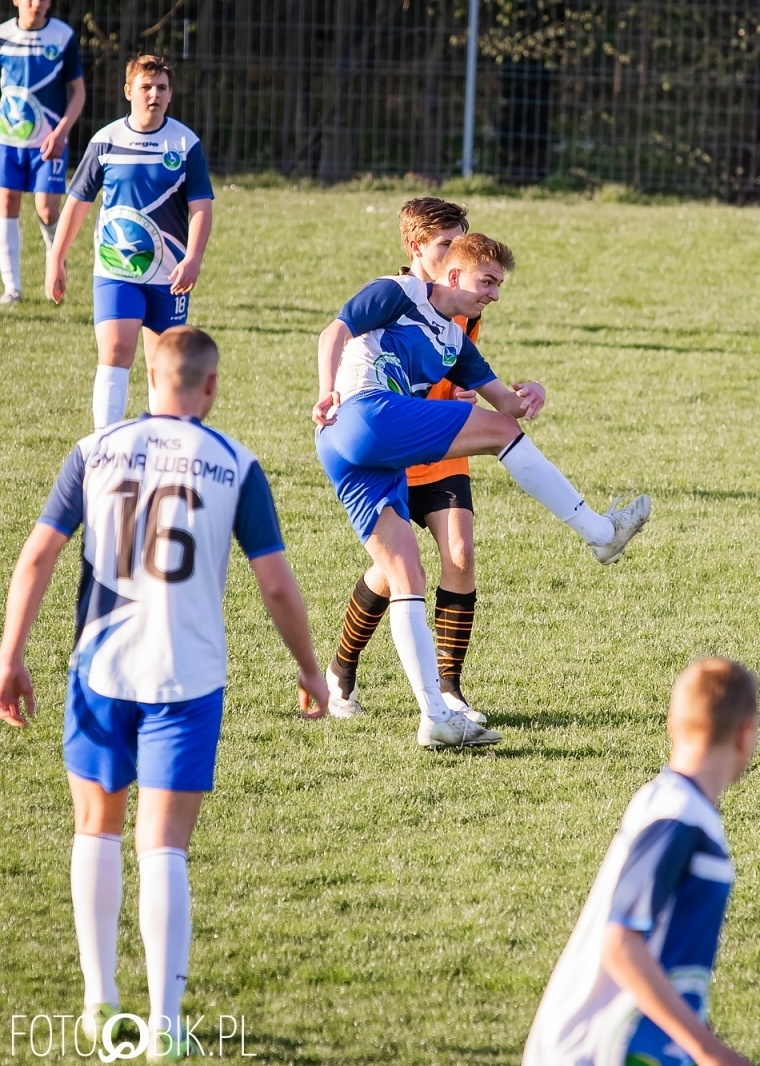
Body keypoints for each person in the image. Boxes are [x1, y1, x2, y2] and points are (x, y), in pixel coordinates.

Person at [0, 327, 329, 1059]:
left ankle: (98, 1004)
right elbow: (275, 583)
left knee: (97, 828)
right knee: (165, 848)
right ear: (211, 386)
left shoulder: (93, 451)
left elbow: (37, 557)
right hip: (188, 678)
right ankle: (168, 1022)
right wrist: (310, 668)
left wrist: (10, 654)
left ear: (150, 372)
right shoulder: (235, 465)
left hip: (100, 670)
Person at [313, 233, 651, 749]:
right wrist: (326, 391)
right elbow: (331, 333)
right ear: (453, 275)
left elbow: (508, 408)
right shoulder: (399, 292)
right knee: (496, 436)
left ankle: (435, 717)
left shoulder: (455, 342)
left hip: (352, 452)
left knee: (405, 574)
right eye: (487, 282)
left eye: (498, 285)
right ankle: (601, 533)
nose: (494, 294)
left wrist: (531, 392)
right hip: (360, 416)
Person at [524, 657, 760, 1066]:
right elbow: (620, 944)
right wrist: (707, 1050)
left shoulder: (677, 806)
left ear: (672, 723)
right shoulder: (678, 817)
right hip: (595, 1050)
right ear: (746, 734)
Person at [327, 197, 492, 724]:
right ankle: (343, 665)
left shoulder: (463, 302)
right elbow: (364, 363)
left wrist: (471, 396)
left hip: (442, 446)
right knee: (393, 569)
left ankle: (449, 691)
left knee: (460, 553)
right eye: (446, 244)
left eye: (461, 243)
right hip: (391, 445)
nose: (456, 253)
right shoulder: (392, 297)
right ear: (417, 247)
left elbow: (463, 368)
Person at [45, 54, 213, 429]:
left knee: (163, 363)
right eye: (146, 87)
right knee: (117, 349)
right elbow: (78, 203)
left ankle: (158, 448)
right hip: (116, 269)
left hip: (169, 274)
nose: (154, 94)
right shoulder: (106, 141)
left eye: (162, 88)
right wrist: (56, 258)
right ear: (128, 91)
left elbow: (202, 206)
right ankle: (104, 445)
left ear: (171, 95)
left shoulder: (185, 144)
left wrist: (194, 258)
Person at [0, 0, 84, 303]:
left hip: (48, 142)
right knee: (7, 204)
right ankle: (12, 288)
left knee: (47, 208)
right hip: (7, 141)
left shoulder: (62, 36)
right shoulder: (3, 35)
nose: (36, 4)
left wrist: (61, 131)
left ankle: (56, 264)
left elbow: (79, 91)